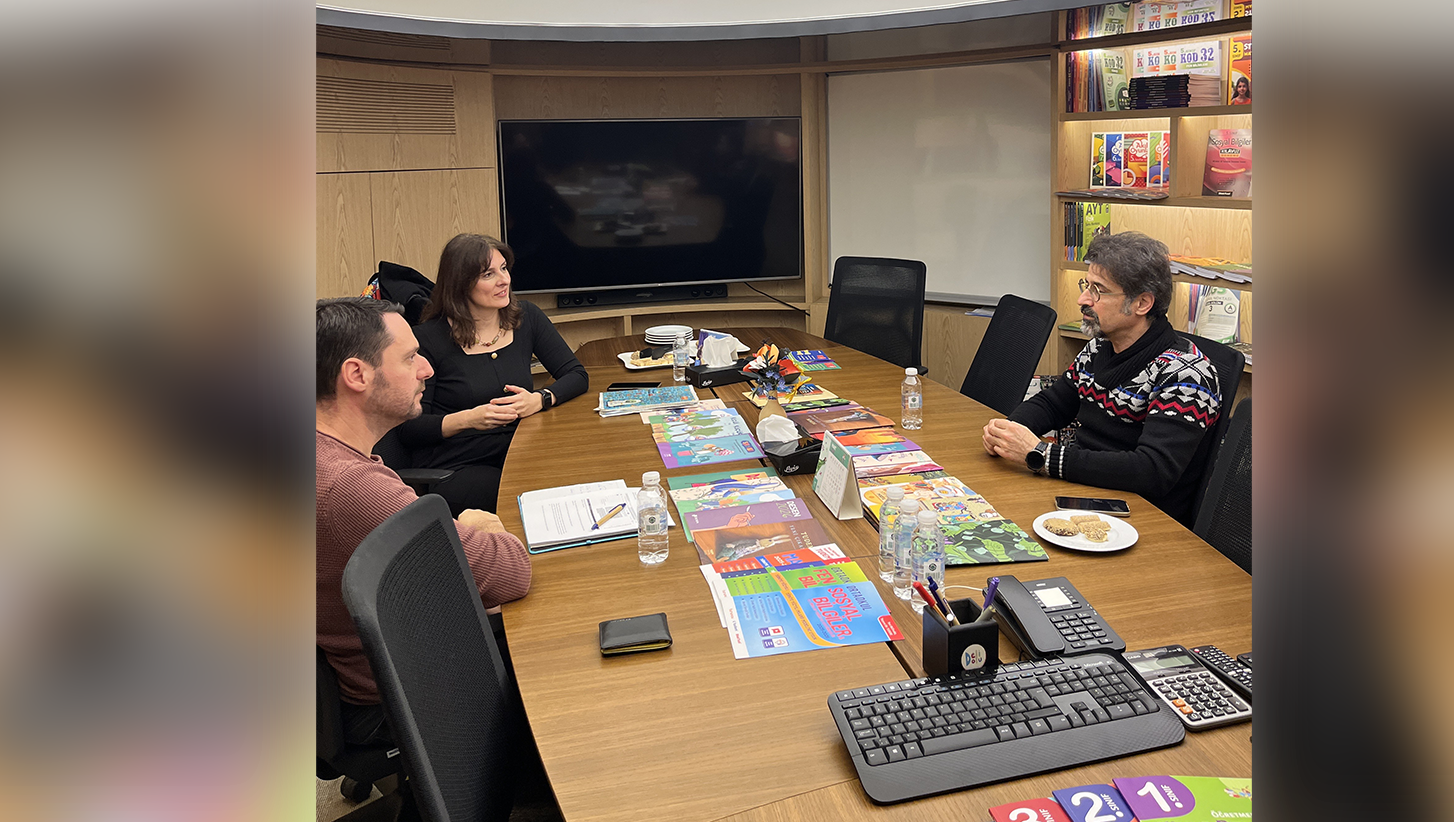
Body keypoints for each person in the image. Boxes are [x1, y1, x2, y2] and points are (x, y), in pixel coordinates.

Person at [317, 297, 532, 745]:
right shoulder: (350, 487)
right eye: (410, 357)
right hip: (411, 693)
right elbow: (509, 573)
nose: (427, 370)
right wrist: (483, 529)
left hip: (397, 647)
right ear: (357, 374)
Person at [981, 232, 1222, 526]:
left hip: (1141, 518)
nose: (1083, 299)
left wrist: (1041, 454)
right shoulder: (1100, 346)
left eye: (1099, 291)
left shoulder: (1187, 375)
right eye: (1087, 285)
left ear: (1142, 303)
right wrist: (1009, 432)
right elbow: (1054, 404)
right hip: (1086, 493)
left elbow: (1151, 471)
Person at [396, 233, 588, 514]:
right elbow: (409, 429)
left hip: (518, 447)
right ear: (461, 283)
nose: (504, 280)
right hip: (458, 464)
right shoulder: (427, 339)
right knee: (537, 496)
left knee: (578, 470)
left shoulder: (526, 317)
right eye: (489, 274)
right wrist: (469, 419)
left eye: (504, 268)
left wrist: (540, 399)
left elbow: (576, 374)